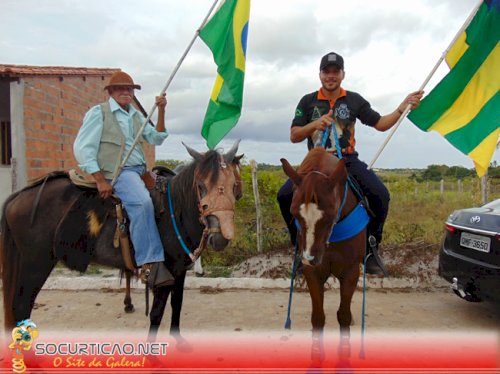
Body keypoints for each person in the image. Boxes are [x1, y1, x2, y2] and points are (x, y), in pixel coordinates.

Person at [277, 52, 423, 275]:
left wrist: (402, 107)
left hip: (346, 160)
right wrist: (315, 124)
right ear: (320, 74)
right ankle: (299, 248)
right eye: (327, 72)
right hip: (315, 164)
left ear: (343, 74)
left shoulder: (354, 100)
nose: (331, 76)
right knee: (284, 195)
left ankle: (371, 249)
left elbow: (381, 124)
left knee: (379, 194)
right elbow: (294, 135)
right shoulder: (307, 101)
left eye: (336, 71)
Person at [74, 71, 174, 288]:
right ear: (110, 92)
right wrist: (100, 179)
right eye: (120, 88)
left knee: (171, 196)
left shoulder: (136, 115)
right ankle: (149, 265)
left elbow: (157, 138)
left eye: (129, 89)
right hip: (120, 172)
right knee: (142, 203)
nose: (125, 92)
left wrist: (162, 110)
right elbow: (82, 148)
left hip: (143, 172)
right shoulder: (98, 113)